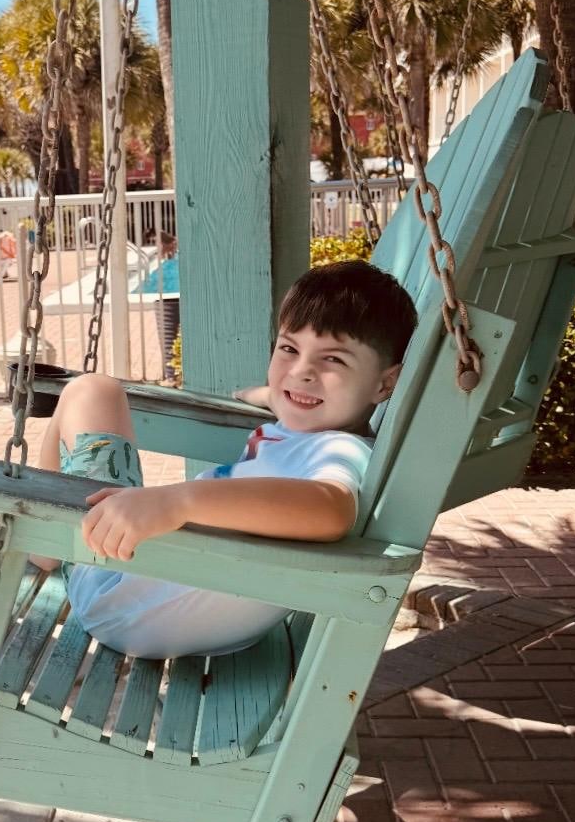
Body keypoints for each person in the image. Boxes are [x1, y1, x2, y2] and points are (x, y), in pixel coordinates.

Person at [34, 260, 417, 659]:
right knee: (97, 392)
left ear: (385, 383)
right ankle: (46, 544)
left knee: (89, 392)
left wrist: (176, 502)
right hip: (161, 589)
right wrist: (264, 394)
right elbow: (281, 392)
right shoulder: (311, 429)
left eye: (333, 360)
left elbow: (331, 509)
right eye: (289, 349)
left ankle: (44, 545)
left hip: (119, 591)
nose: (301, 372)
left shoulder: (340, 451)